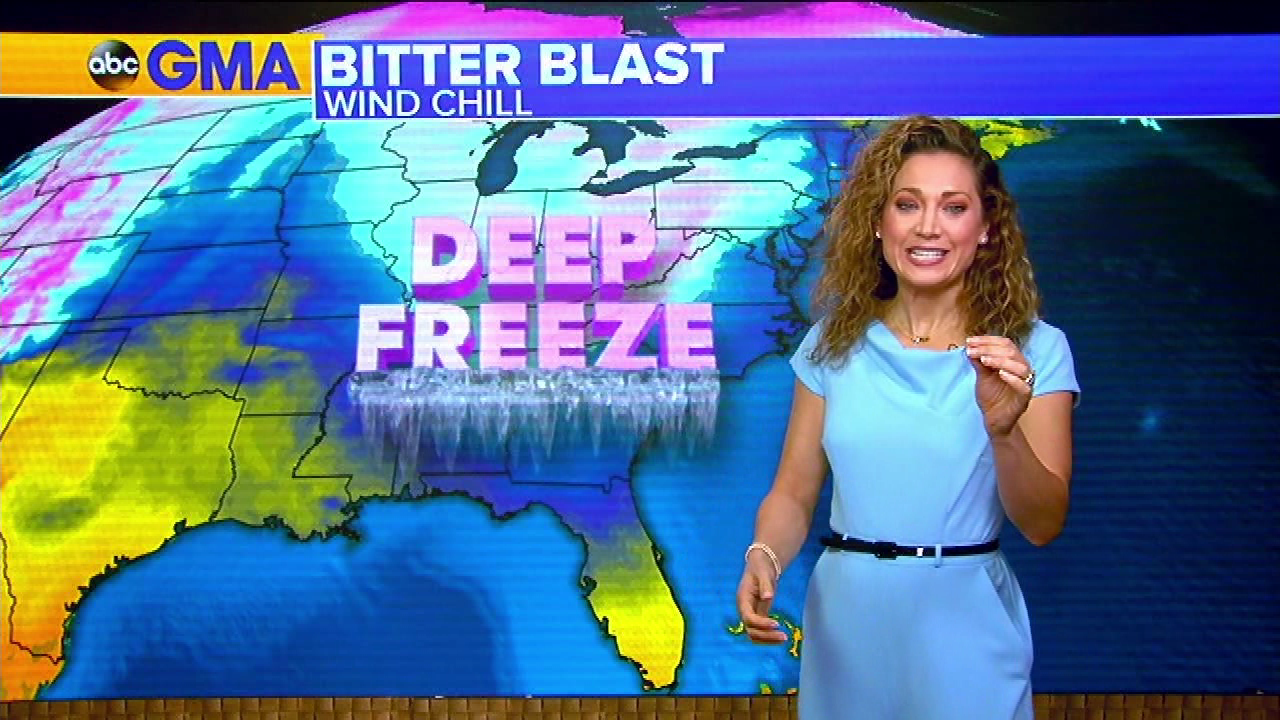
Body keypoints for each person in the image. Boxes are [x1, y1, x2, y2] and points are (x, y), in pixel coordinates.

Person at [735, 115, 1080, 720]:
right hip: (848, 622)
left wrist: (1003, 432)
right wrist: (763, 555)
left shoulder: (1033, 350)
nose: (928, 227)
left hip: (966, 622)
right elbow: (793, 492)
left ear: (986, 228)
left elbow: (1044, 523)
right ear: (879, 221)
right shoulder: (831, 345)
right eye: (907, 204)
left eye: (954, 207)